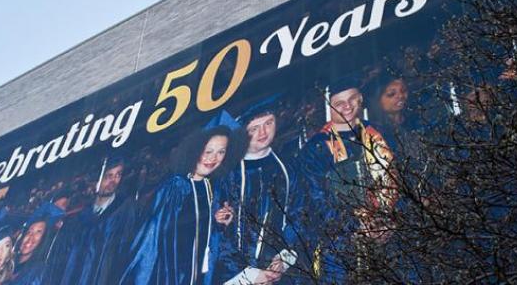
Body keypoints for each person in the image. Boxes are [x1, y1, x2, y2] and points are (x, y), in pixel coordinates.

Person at [119, 118, 246, 285]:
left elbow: (210, 242)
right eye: (207, 151)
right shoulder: (174, 188)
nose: (213, 158)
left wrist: (219, 223)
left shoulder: (215, 188)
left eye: (221, 152)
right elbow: (148, 246)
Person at [301, 76, 398, 281]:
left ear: (360, 98)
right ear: (329, 106)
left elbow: (402, 179)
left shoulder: (380, 132)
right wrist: (358, 226)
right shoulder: (316, 148)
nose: (347, 106)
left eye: (352, 99)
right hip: (341, 246)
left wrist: (390, 220)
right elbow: (316, 200)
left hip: (389, 235)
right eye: (339, 103)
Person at [218, 97, 308, 284]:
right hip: (236, 274)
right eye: (254, 128)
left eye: (269, 123)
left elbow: (299, 215)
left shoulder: (288, 169)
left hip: (280, 273)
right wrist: (249, 274)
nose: (263, 132)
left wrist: (285, 258)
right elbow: (218, 234)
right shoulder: (227, 174)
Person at [59, 157, 140, 285]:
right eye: (108, 176)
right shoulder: (80, 217)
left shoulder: (125, 209)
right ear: (95, 180)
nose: (113, 181)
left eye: (118, 175)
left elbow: (127, 253)